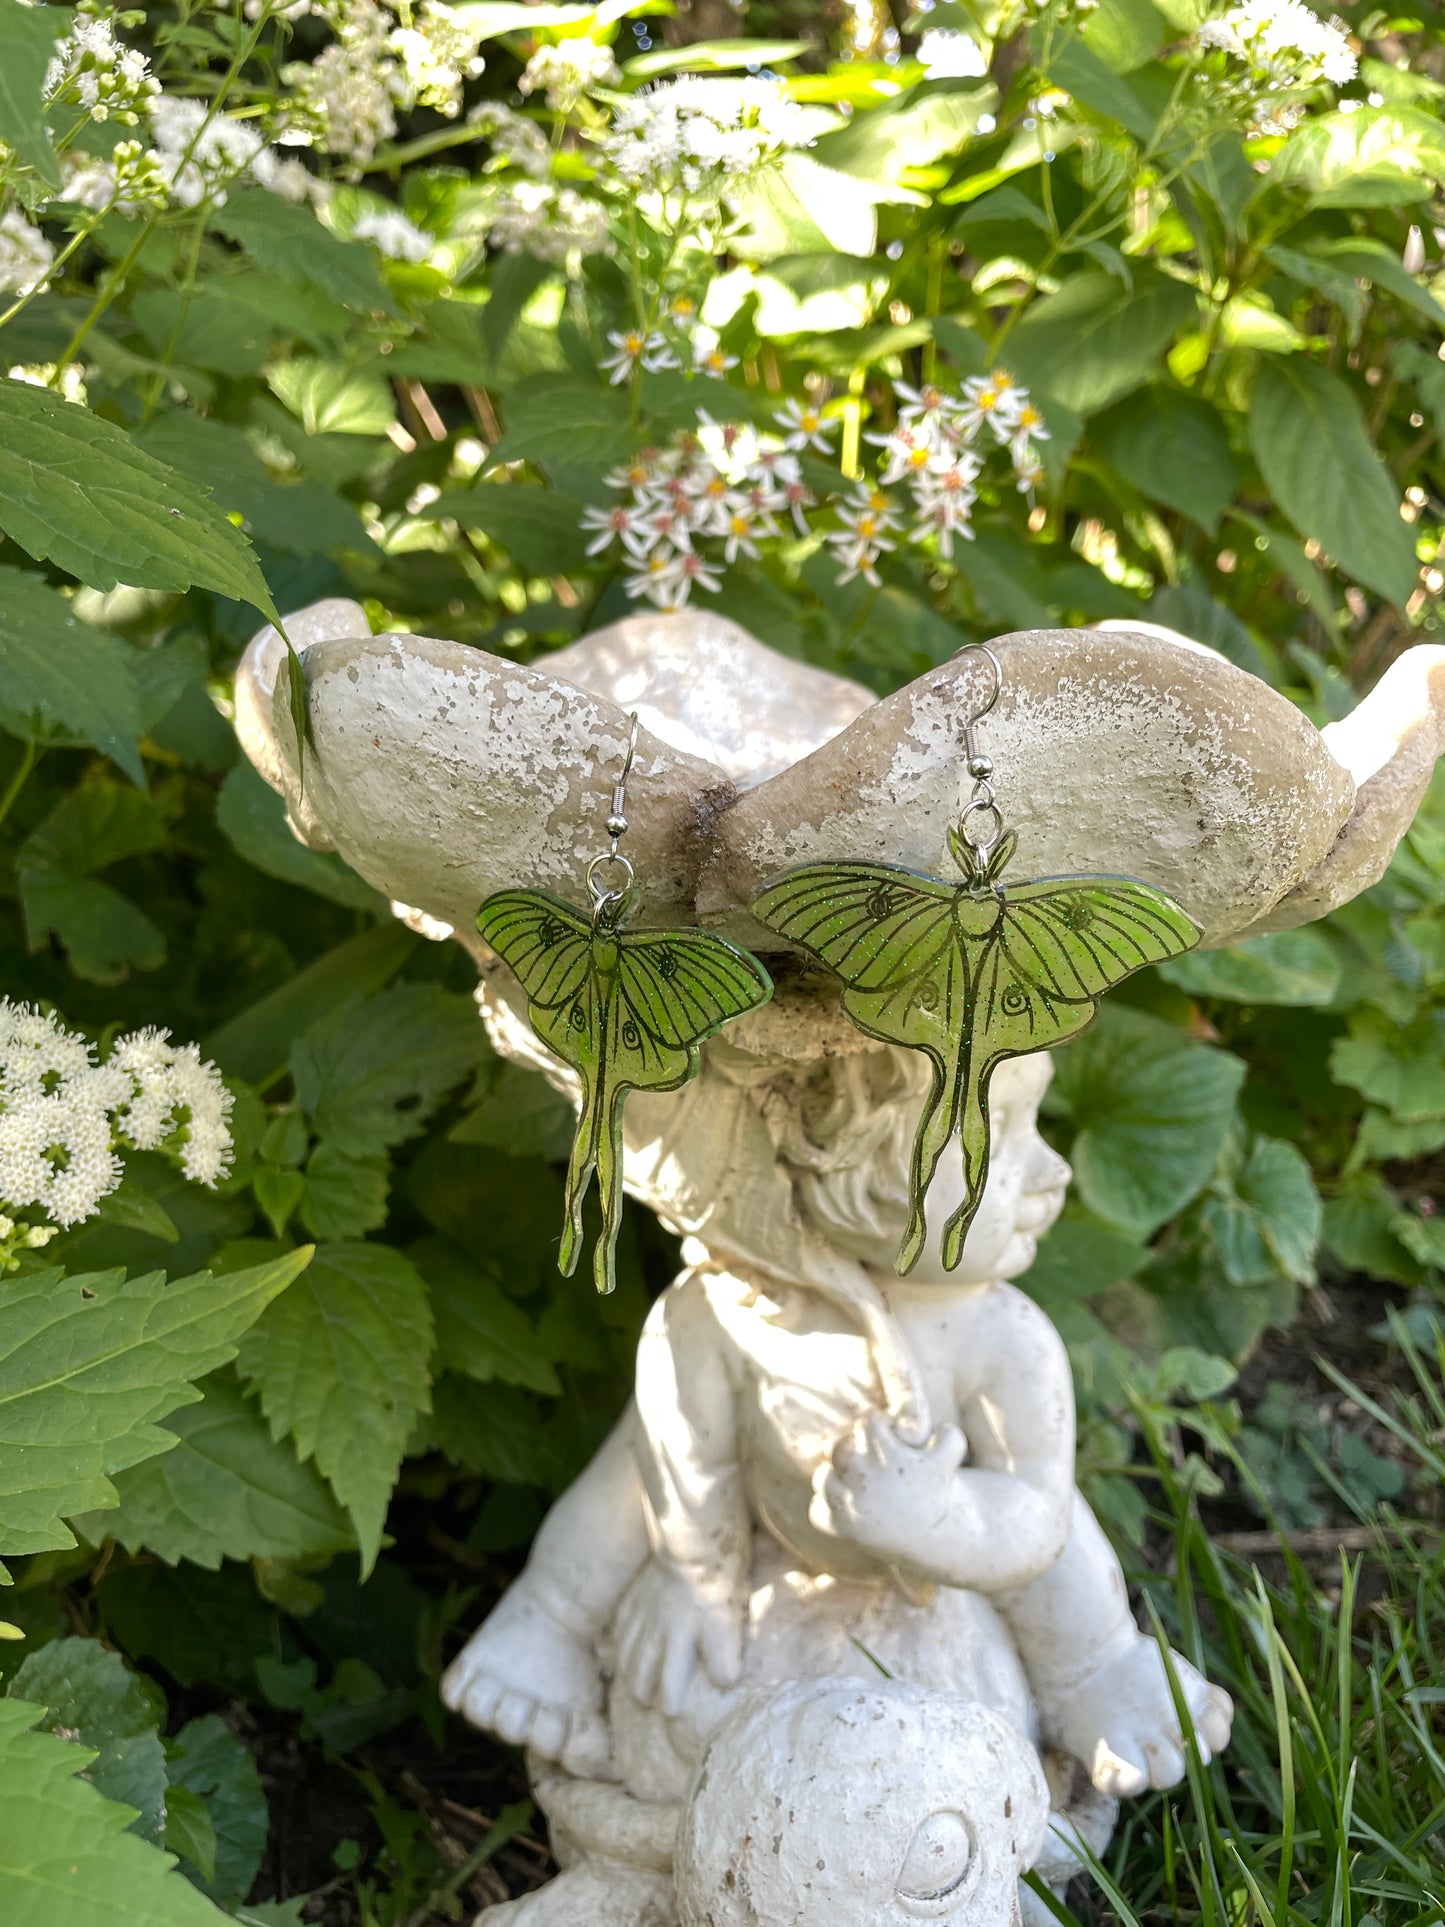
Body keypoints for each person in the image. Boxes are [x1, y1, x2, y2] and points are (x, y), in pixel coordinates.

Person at [443, 998, 1232, 1805]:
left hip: (941, 1564)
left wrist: (939, 1518)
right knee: (645, 1459)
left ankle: (1095, 1666)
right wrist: (695, 1578)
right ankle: (551, 1618)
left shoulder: (1002, 1337)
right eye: (1001, 1135)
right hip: (771, 1559)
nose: (1050, 1171)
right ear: (844, 1169)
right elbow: (692, 1458)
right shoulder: (725, 1308)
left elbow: (1032, 1514)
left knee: (1056, 1530)